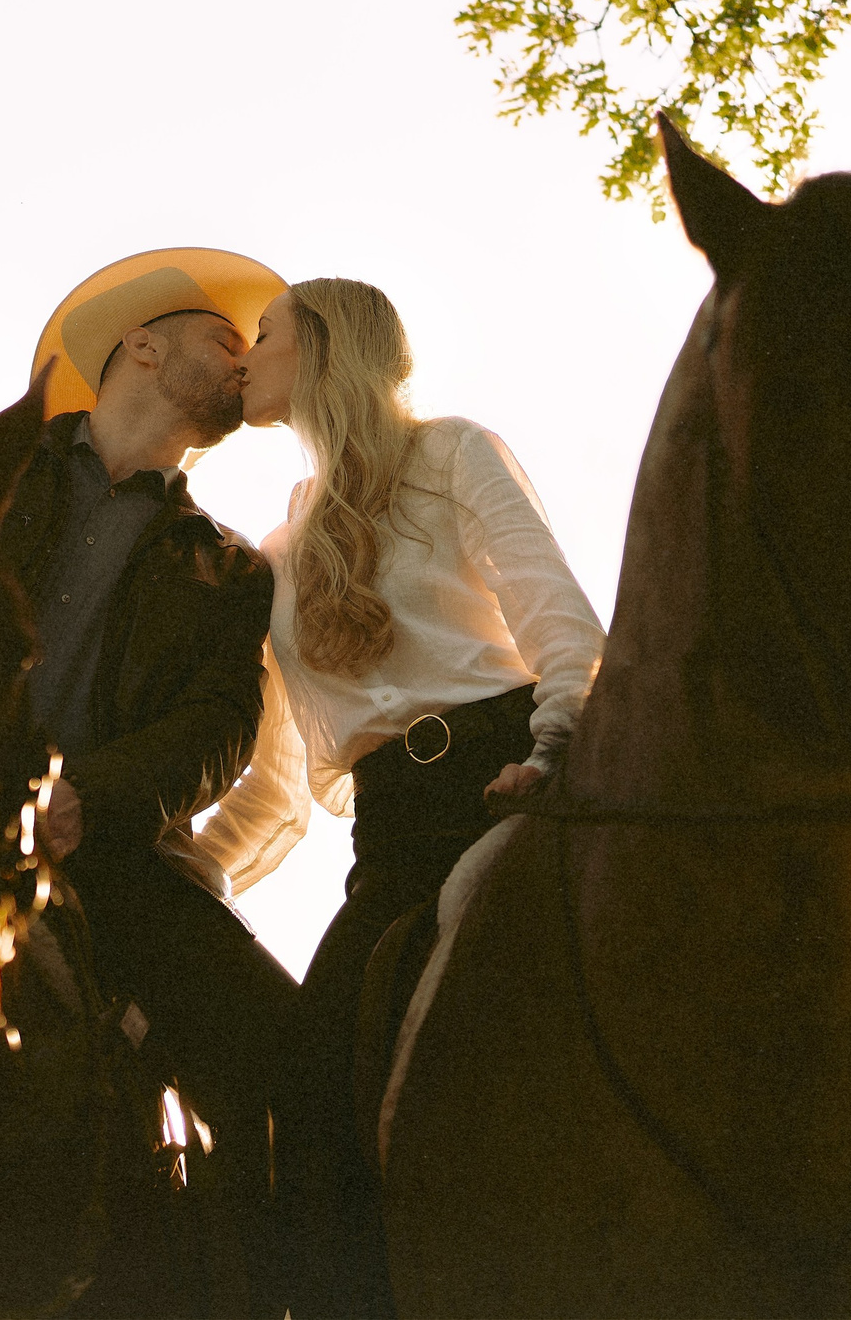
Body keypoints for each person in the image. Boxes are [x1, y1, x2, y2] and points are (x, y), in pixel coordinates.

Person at [197, 276, 606, 1318]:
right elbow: (278, 782)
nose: (245, 356)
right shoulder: (278, 555)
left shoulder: (452, 453)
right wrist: (193, 865)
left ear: (326, 348)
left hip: (505, 779)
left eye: (265, 333)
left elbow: (556, 618)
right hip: (388, 837)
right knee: (306, 1090)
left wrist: (552, 750)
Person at [0, 247, 301, 1316]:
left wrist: (92, 797)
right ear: (140, 346)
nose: (245, 360)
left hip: (112, 863)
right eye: (225, 339)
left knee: (297, 1062)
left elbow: (221, 736)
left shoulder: (232, 568)